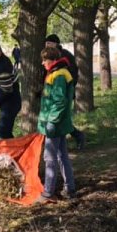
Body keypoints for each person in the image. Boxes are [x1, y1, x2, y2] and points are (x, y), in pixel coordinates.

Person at [35, 46, 76, 203]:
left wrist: (51, 121)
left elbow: (60, 101)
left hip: (55, 123)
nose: (43, 63)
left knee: (50, 158)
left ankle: (48, 192)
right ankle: (70, 189)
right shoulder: (58, 72)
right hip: (60, 123)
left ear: (52, 60)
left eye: (44, 60)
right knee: (62, 156)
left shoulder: (58, 75)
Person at [45, 34, 86, 149]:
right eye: (46, 43)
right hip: (52, 93)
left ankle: (78, 136)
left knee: (63, 119)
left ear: (57, 44)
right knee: (60, 120)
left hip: (65, 93)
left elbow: (73, 74)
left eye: (50, 43)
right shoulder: (47, 56)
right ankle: (65, 141)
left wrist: (69, 90)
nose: (48, 45)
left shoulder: (66, 56)